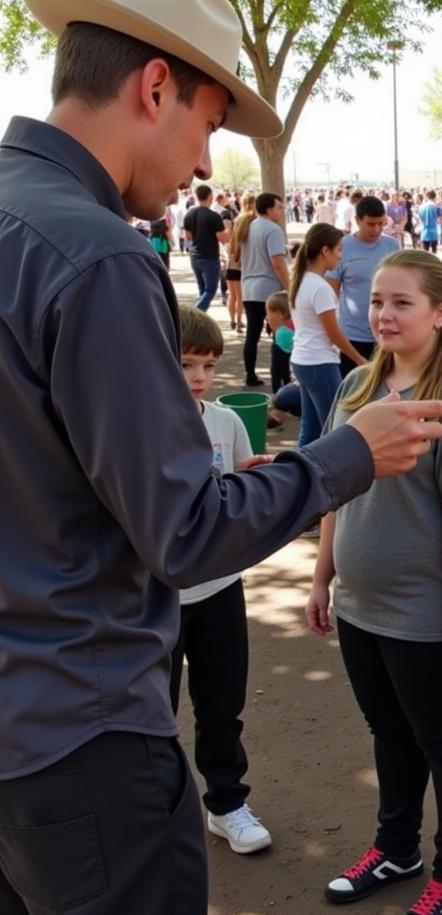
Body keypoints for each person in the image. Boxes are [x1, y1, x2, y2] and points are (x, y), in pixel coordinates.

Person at [0, 4, 442, 915]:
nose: (204, 160)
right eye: (211, 121)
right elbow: (186, 531)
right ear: (154, 88)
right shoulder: (95, 253)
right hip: (75, 726)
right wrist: (349, 454)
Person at [308, 249, 442, 915]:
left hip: (426, 613)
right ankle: (396, 849)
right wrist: (322, 575)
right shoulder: (357, 384)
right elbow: (331, 487)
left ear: (440, 313)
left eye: (401, 303)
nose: (383, 314)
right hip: (360, 603)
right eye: (378, 301)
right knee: (391, 733)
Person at [171, 305, 271, 855]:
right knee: (151, 714)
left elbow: (232, 496)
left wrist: (251, 483)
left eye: (208, 365)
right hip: (157, 594)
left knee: (221, 704)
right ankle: (156, 814)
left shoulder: (225, 421)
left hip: (218, 589)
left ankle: (227, 802)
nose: (199, 377)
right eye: (187, 363)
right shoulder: (138, 423)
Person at [290, 223, 369, 447]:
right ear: (325, 251)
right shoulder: (320, 287)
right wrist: (359, 359)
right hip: (319, 362)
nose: (341, 256)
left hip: (303, 360)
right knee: (334, 427)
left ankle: (300, 474)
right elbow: (334, 333)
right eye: (339, 250)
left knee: (312, 427)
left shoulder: (302, 280)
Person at [325, 194, 400, 376]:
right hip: (353, 336)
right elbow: (330, 293)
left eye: (381, 224)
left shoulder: (392, 245)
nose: (376, 230)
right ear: (358, 220)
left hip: (387, 331)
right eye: (371, 224)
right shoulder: (343, 247)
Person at [240, 191, 289, 386]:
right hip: (269, 289)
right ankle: (282, 379)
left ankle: (250, 374)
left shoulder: (248, 226)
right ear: (269, 209)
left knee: (252, 334)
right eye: (279, 207)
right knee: (280, 336)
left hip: (249, 288)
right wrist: (290, 288)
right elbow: (278, 263)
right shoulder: (273, 229)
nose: (282, 211)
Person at [183, 183, 228, 310]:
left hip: (194, 255)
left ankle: (201, 319)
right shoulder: (214, 216)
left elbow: (188, 237)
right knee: (210, 290)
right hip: (209, 256)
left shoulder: (189, 214)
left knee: (202, 290)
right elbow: (222, 238)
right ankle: (195, 313)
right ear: (210, 196)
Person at [226, 192, 255, 333]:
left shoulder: (237, 219)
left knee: (232, 295)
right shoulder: (250, 220)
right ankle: (239, 322)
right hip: (240, 263)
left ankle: (232, 320)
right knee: (240, 296)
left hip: (231, 262)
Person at [265, 288, 294, 395]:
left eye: (269, 313)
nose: (266, 317)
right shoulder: (295, 326)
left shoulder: (281, 334)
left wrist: (275, 393)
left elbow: (276, 370)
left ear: (281, 314)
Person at [419, 189, 441, 253]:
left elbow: (420, 218)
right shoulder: (436, 206)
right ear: (434, 196)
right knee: (434, 252)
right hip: (434, 231)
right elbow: (441, 217)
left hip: (424, 231)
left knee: (425, 253)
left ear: (427, 196)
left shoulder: (421, 206)